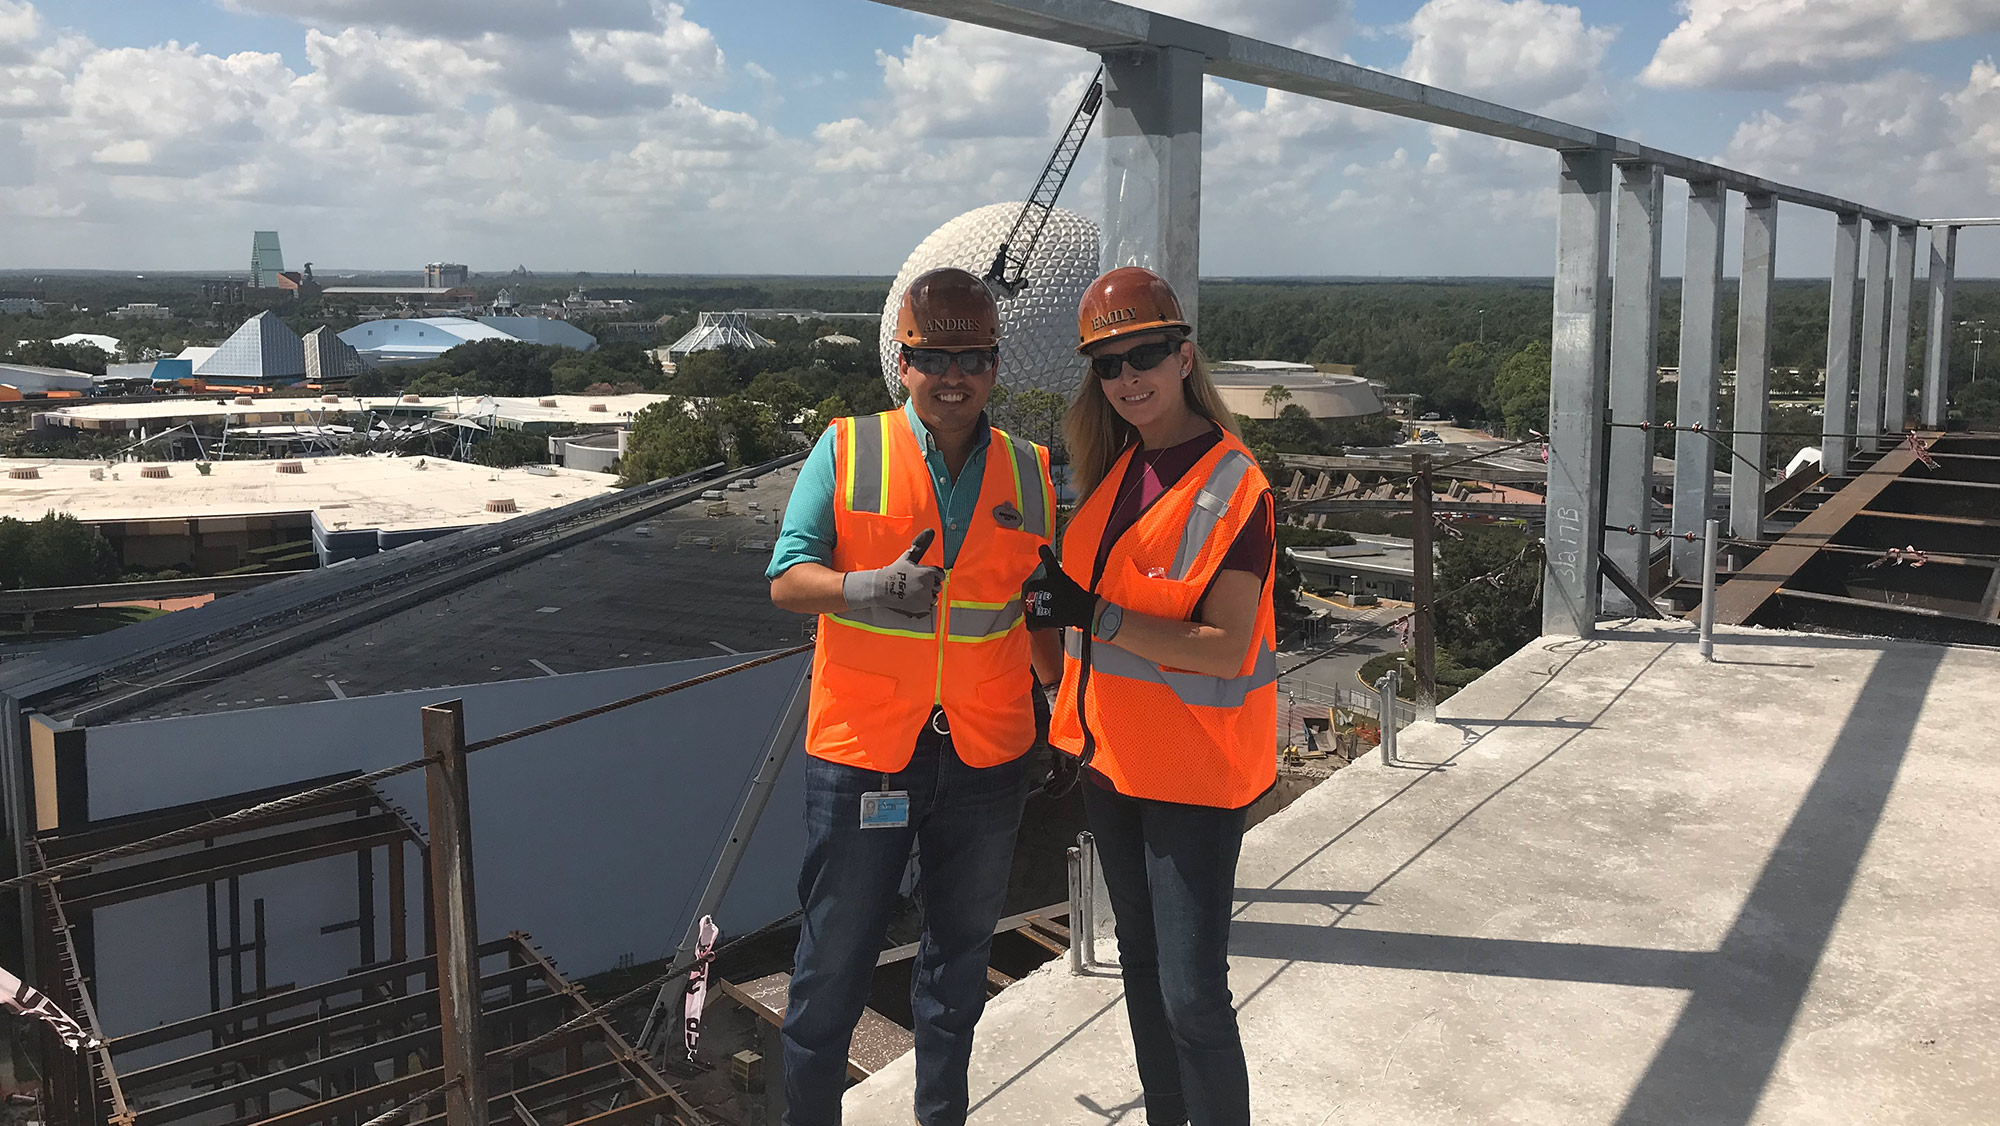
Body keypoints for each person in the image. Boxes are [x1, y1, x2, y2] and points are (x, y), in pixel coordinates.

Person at [767, 267, 1060, 1126]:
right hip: (867, 756)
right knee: (832, 968)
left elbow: (1037, 610)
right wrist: (861, 588)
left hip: (987, 756)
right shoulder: (848, 447)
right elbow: (788, 579)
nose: (953, 375)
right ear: (903, 361)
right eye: (934, 357)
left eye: (971, 357)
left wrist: (1067, 708)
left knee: (958, 969)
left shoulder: (1032, 471)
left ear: (997, 364)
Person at [1022, 266, 1276, 1126]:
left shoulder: (1232, 485)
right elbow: (1077, 627)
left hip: (1193, 777)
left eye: (1147, 355)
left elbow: (1224, 647)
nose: (1130, 378)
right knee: (1140, 972)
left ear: (1183, 355)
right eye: (1110, 364)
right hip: (1111, 765)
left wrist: (1095, 614)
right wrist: (1053, 660)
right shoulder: (1114, 474)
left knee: (1192, 997)